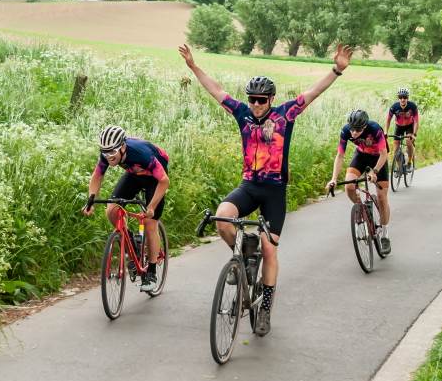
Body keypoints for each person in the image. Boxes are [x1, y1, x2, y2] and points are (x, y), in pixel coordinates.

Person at [179, 43, 353, 335]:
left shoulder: (285, 115)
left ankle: (266, 310)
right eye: (252, 99)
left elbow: (314, 93)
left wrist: (336, 69)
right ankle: (245, 255)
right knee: (222, 219)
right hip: (248, 185)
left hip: (274, 192)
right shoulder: (242, 115)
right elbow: (217, 90)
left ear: (271, 98)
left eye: (261, 99)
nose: (256, 104)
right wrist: (194, 67)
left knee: (270, 250)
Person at [83, 125, 170, 292]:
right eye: (105, 152)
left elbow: (164, 181)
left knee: (150, 222)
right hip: (134, 175)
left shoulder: (141, 154)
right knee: (111, 210)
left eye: (112, 153)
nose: (109, 157)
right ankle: (132, 242)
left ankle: (151, 272)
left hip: (155, 179)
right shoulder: (108, 153)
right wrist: (91, 200)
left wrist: (151, 207)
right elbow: (97, 176)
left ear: (123, 147)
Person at [327, 110, 392, 255]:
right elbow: (340, 155)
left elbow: (384, 154)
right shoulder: (346, 131)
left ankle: (385, 234)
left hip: (378, 159)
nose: (353, 133)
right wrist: (334, 179)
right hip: (361, 156)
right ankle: (361, 209)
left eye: (357, 130)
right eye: (351, 128)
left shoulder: (375, 129)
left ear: (364, 127)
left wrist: (374, 171)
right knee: (349, 186)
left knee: (382, 197)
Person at [385, 88, 419, 170]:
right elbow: (388, 120)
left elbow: (416, 122)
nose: (402, 99)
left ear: (407, 98)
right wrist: (385, 132)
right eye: (400, 97)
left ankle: (410, 162)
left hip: (409, 126)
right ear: (398, 98)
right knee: (396, 147)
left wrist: (414, 134)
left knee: (408, 141)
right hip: (399, 127)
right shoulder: (394, 107)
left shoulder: (412, 106)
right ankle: (398, 166)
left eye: (404, 97)